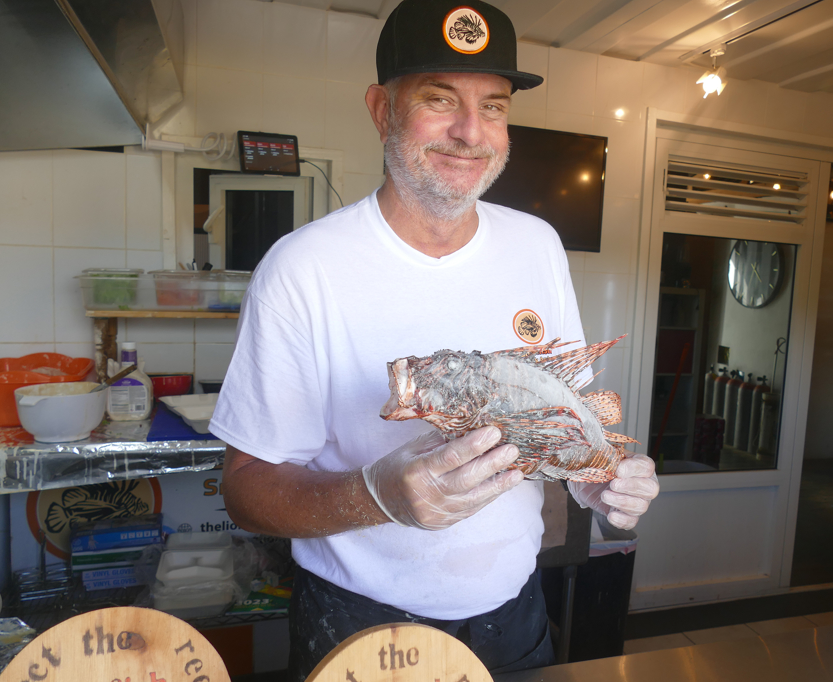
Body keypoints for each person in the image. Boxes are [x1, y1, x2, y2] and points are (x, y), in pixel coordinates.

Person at [210, 0, 660, 679]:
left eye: (495, 106)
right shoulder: (304, 268)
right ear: (382, 109)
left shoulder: (537, 246)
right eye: (439, 99)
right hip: (363, 623)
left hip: (516, 616)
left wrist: (595, 478)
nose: (470, 131)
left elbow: (560, 419)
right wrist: (375, 497)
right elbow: (245, 490)